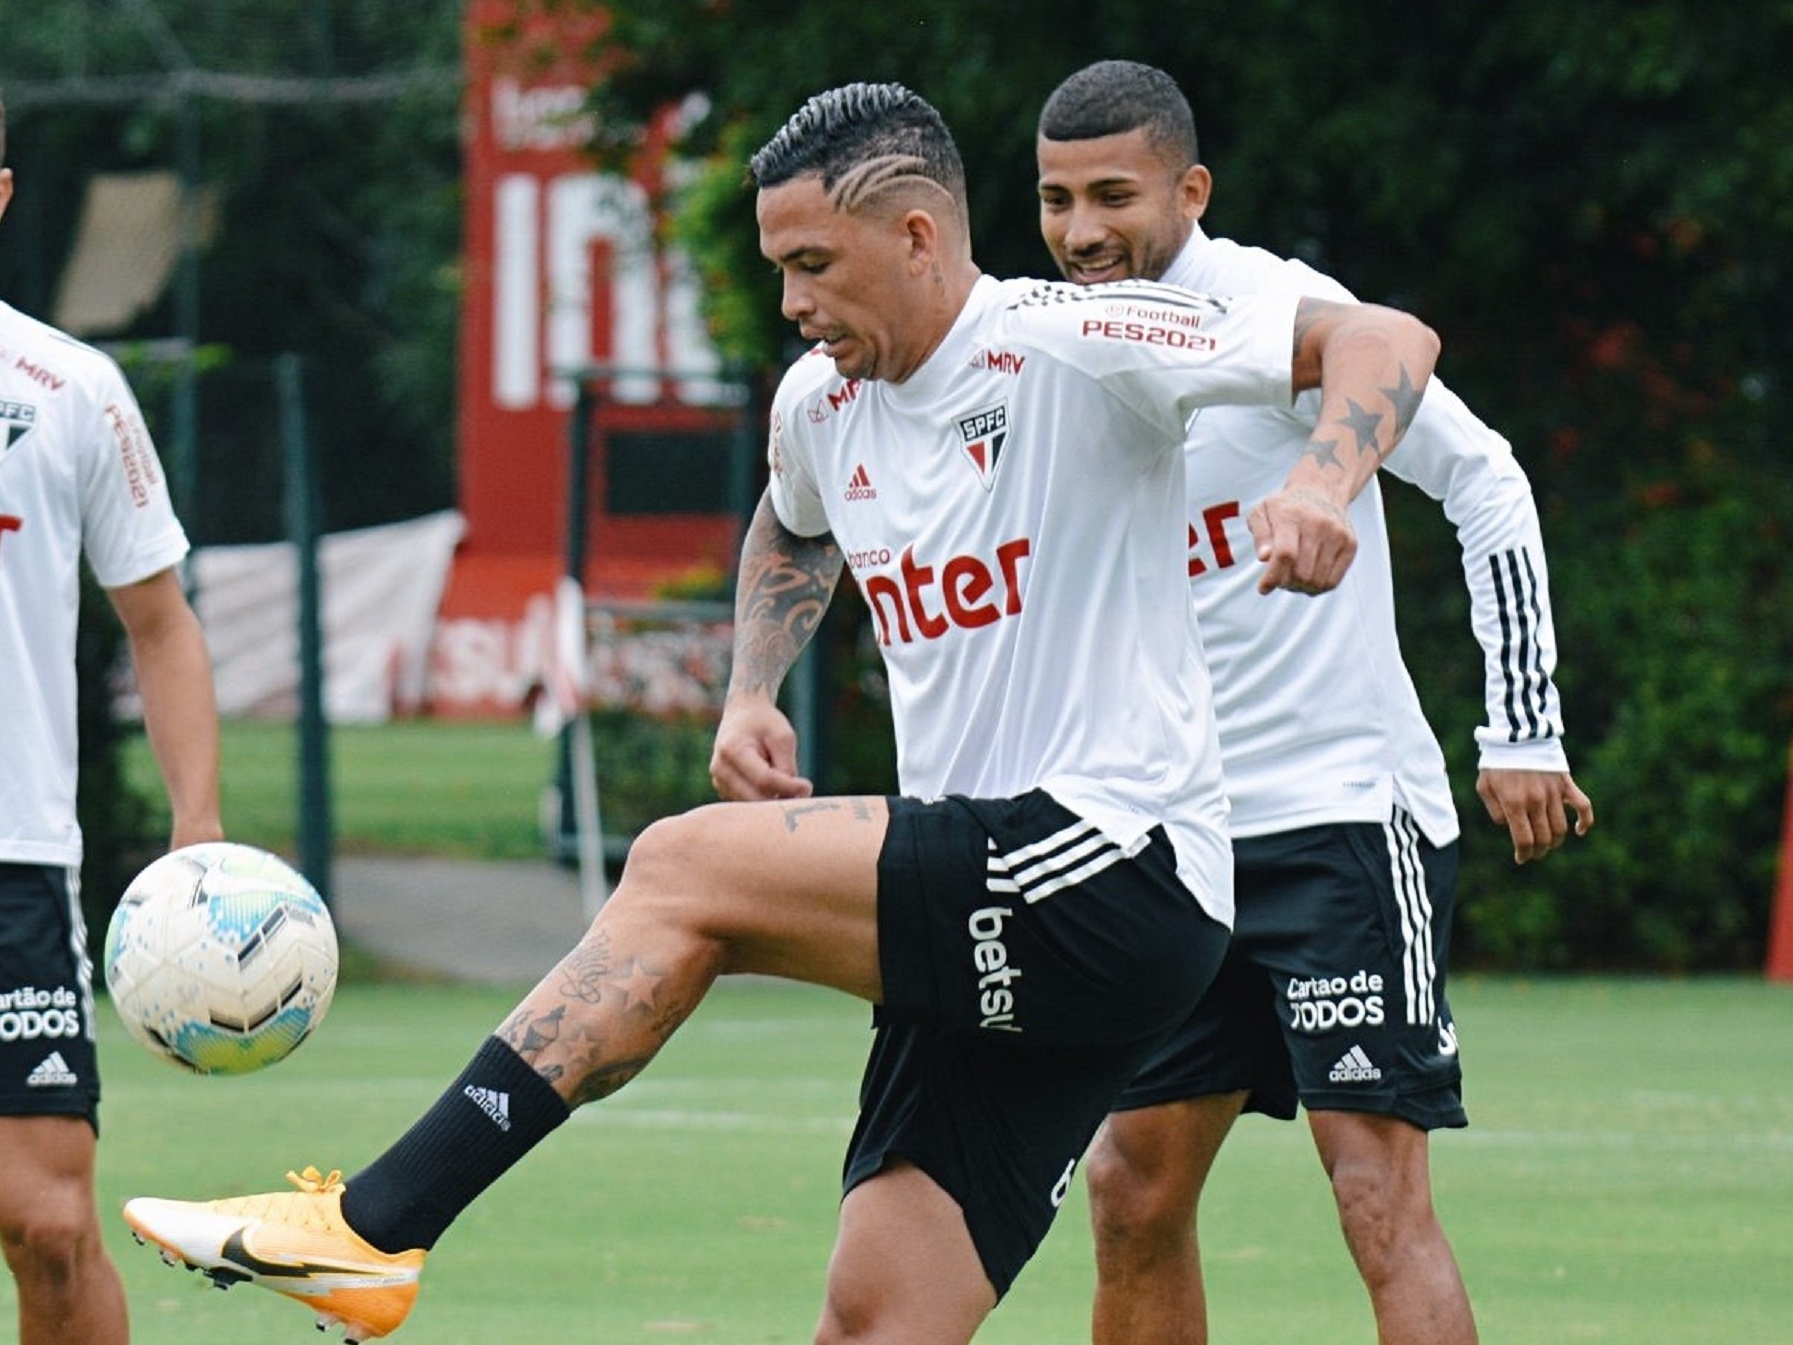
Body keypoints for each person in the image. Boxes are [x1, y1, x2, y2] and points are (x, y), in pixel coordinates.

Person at [121, 81, 1438, 1345]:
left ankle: (373, 1224)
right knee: (875, 1319)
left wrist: (1323, 482)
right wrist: (752, 687)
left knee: (682, 867)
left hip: (1117, 864)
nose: (793, 301)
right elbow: (792, 525)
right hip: (997, 903)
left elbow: (1385, 340)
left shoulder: (1070, 339)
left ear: (917, 235)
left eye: (813, 262)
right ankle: (373, 1237)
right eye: (777, 269)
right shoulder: (821, 401)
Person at [1034, 60, 1596, 1345]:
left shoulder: (1281, 311)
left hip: (1340, 819)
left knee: (1373, 1199)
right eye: (1055, 199)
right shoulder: (1056, 339)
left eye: (1112, 194)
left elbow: (1486, 480)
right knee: (1127, 1189)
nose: (1080, 232)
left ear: (1189, 189)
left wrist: (1520, 728)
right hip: (1175, 839)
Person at [0, 92, 225, 1345]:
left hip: (16, 862)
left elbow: (161, 620)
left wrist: (196, 827)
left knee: (48, 1222)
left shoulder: (70, 386)